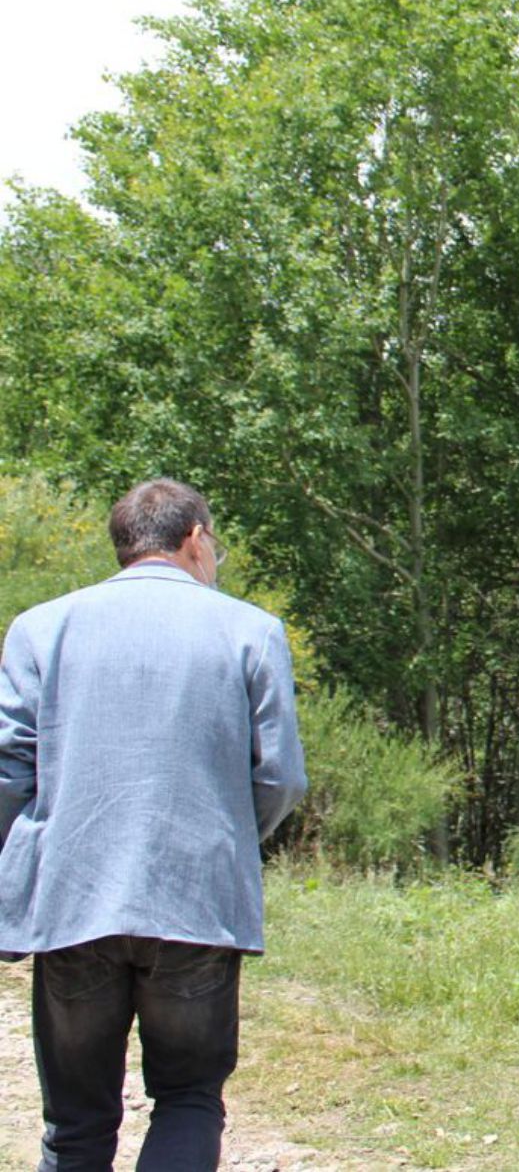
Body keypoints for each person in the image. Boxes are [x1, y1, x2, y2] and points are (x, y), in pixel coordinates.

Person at [0, 478, 308, 1172]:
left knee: (75, 1125)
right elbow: (281, 777)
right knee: (189, 1098)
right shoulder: (250, 630)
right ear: (195, 537)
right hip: (196, 904)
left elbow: (8, 770)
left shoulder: (41, 628)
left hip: (74, 899)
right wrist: (224, 836)